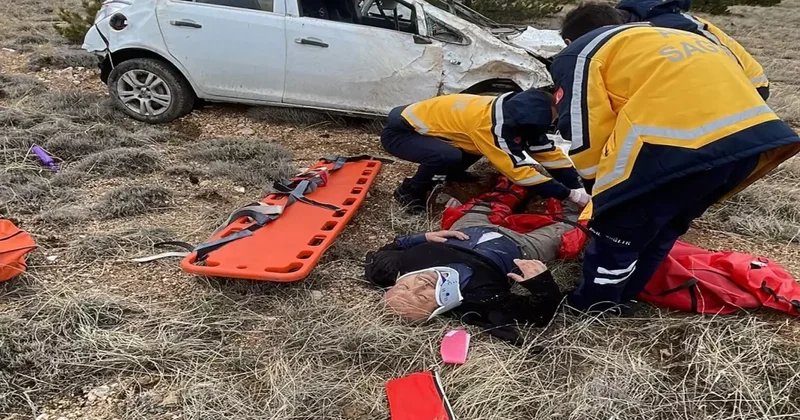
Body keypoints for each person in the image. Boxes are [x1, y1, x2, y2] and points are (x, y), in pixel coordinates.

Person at [550, 3, 800, 312]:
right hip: (750, 145)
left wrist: (598, 188)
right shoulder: (676, 35)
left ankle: (593, 308)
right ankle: (628, 293)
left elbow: (583, 123)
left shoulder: (581, 53)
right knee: (666, 226)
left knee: (616, 233)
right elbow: (759, 83)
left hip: (673, 148)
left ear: (567, 41)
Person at [365, 177, 586, 344]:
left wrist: (421, 237)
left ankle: (529, 174)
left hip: (466, 230)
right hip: (521, 247)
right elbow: (540, 315)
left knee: (501, 193)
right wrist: (541, 281)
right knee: (574, 228)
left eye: (406, 286)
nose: (421, 283)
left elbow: (386, 250)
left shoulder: (390, 268)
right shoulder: (480, 299)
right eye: (423, 297)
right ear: (438, 309)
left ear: (396, 282)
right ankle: (571, 190)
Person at [380, 89, 590, 214]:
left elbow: (547, 152)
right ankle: (410, 191)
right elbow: (518, 172)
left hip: (434, 130)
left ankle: (452, 173)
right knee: (446, 155)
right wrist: (570, 195)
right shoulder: (491, 126)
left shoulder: (516, 112)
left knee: (475, 146)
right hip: (400, 134)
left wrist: (577, 184)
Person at [614, 0, 770, 100]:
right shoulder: (639, 29)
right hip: (718, 82)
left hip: (751, 85)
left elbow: (723, 53)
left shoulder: (678, 24)